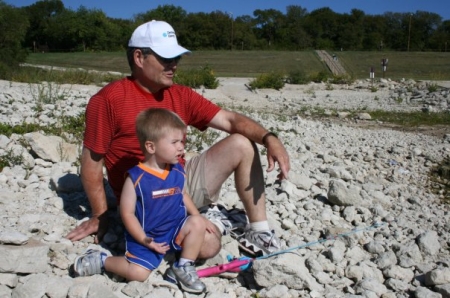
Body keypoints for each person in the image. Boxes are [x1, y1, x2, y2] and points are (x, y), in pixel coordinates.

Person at [66, 20, 290, 257]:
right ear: (139, 58)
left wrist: (269, 138)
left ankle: (258, 230)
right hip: (146, 199)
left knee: (242, 143)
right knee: (207, 246)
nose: (174, 65)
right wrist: (100, 216)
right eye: (166, 58)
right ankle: (218, 218)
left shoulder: (181, 94)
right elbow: (92, 161)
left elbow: (230, 120)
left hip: (181, 182)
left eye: (177, 58)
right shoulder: (108, 100)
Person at [74, 108, 213, 293]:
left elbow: (182, 194)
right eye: (175, 142)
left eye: (182, 141)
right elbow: (127, 213)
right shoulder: (135, 178)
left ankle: (183, 266)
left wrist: (198, 216)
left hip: (175, 228)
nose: (181, 147)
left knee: (197, 222)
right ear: (151, 147)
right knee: (138, 274)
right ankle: (102, 261)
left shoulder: (177, 169)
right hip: (147, 235)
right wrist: (144, 239)